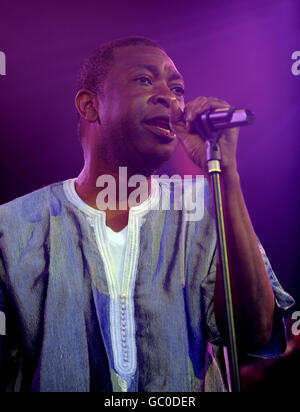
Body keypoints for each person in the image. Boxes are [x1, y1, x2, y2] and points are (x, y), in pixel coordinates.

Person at [0, 36, 294, 392]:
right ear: (90, 106)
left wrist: (225, 172)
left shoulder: (206, 209)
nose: (168, 97)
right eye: (143, 79)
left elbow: (254, 332)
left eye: (177, 88)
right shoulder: (12, 227)